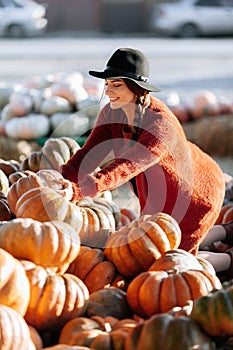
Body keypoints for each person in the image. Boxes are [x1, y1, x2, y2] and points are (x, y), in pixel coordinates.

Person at [61, 47, 227, 258]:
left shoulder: (161, 124)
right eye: (107, 85)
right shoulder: (110, 113)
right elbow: (89, 153)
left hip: (195, 193)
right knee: (154, 247)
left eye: (117, 85)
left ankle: (228, 260)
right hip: (158, 191)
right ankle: (226, 231)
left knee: (174, 259)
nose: (109, 92)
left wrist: (81, 190)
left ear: (137, 89)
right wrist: (63, 180)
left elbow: (129, 165)